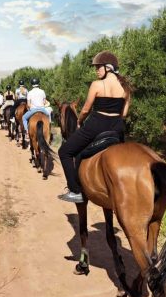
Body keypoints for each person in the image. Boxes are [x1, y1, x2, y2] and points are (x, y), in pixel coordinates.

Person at [57, 51, 132, 203]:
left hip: (96, 125)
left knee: (64, 151)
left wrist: (79, 121)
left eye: (98, 67)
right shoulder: (126, 88)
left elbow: (85, 109)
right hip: (116, 128)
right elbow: (123, 113)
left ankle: (75, 191)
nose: (96, 70)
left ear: (108, 67)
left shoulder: (97, 85)